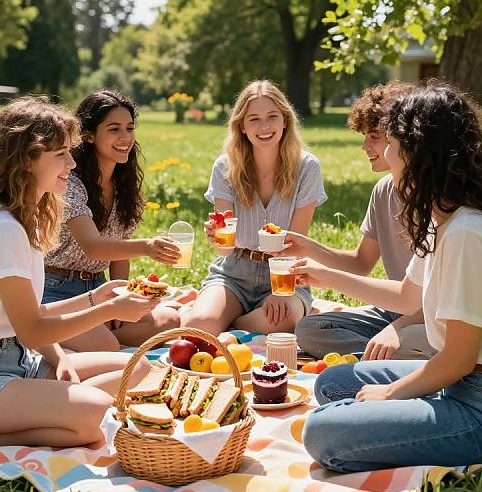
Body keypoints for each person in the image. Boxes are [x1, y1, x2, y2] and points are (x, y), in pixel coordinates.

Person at [294, 82, 482, 472]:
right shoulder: (441, 217)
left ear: (417, 152)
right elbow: (406, 297)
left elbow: (459, 360)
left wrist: (391, 394)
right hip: (455, 381)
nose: (383, 153)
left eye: (391, 144)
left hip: (473, 401)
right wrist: (322, 274)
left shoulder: (466, 231)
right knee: (333, 383)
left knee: (321, 432)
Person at [0, 96, 156, 450]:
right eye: (60, 155)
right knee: (99, 416)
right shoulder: (0, 228)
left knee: (140, 368)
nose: (72, 163)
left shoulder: (21, 220)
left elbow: (30, 316)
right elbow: (32, 328)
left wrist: (92, 298)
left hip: (20, 359)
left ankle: (53, 406)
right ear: (25, 161)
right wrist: (108, 311)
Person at [282, 81, 432, 361]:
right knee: (312, 329)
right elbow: (361, 263)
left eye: (374, 136)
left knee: (410, 338)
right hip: (395, 307)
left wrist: (398, 328)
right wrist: (308, 247)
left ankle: (398, 356)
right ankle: (388, 356)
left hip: (434, 314)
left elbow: (441, 296)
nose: (365, 146)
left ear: (402, 136)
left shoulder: (438, 201)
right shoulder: (384, 191)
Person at [181, 80, 327, 335]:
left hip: (284, 271)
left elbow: (296, 243)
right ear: (242, 127)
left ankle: (233, 322)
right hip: (235, 271)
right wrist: (216, 237)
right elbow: (225, 250)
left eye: (272, 117)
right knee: (198, 327)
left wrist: (282, 291)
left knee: (281, 322)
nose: (264, 126)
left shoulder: (307, 167)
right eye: (254, 119)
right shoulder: (225, 167)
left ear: (285, 121)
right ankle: (223, 317)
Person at [43, 90, 180, 351]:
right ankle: (66, 339)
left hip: (100, 288)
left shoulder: (123, 186)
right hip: (55, 290)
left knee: (170, 321)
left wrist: (123, 298)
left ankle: (84, 337)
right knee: (105, 345)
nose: (125, 137)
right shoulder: (70, 183)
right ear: (89, 135)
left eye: (129, 128)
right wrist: (148, 247)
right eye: (114, 129)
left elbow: (119, 254)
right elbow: (93, 246)